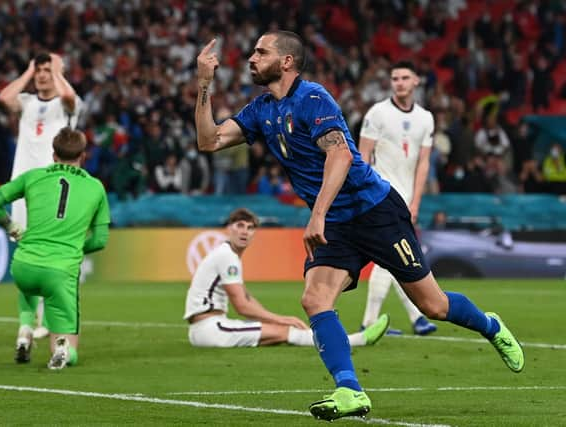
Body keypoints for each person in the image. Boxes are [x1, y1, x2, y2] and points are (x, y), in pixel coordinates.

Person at [194, 30, 524, 421]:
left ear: (286, 62)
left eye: (261, 51)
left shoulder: (312, 98)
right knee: (315, 300)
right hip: (335, 220)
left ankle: (490, 325)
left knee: (433, 305)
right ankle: (350, 390)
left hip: (375, 211)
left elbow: (339, 155)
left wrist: (316, 214)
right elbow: (209, 141)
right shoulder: (261, 109)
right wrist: (203, 85)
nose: (251, 57)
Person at [0, 128, 110, 370]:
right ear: (83, 156)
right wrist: (74, 247)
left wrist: (12, 227)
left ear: (53, 155)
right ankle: (62, 350)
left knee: (32, 284)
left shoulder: (32, 177)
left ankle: (25, 329)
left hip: (23, 266)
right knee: (64, 335)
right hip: (60, 271)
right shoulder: (95, 187)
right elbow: (101, 239)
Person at [184, 208, 390, 348]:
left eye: (250, 227)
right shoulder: (227, 256)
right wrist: (283, 319)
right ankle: (355, 340)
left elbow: (245, 298)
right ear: (228, 228)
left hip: (207, 328)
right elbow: (242, 307)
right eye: (239, 226)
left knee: (280, 334)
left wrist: (275, 320)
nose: (244, 232)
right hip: (211, 328)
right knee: (287, 332)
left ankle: (343, 340)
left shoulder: (225, 254)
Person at [0, 52, 82, 339]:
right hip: (24, 188)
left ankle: (49, 317)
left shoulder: (66, 104)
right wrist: (28, 70)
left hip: (53, 190)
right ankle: (30, 318)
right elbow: (3, 99)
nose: (43, 75)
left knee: (51, 251)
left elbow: (69, 97)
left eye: (47, 70)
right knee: (26, 251)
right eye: (40, 71)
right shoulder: (27, 102)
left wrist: (58, 72)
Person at [358, 61, 437, 336]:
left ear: (416, 81)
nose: (399, 82)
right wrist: (362, 192)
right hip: (380, 195)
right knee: (391, 257)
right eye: (394, 78)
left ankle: (414, 318)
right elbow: (363, 155)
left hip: (405, 198)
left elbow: (423, 163)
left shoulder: (426, 118)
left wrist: (415, 201)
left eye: (405, 77)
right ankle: (384, 321)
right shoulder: (377, 113)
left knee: (396, 257)